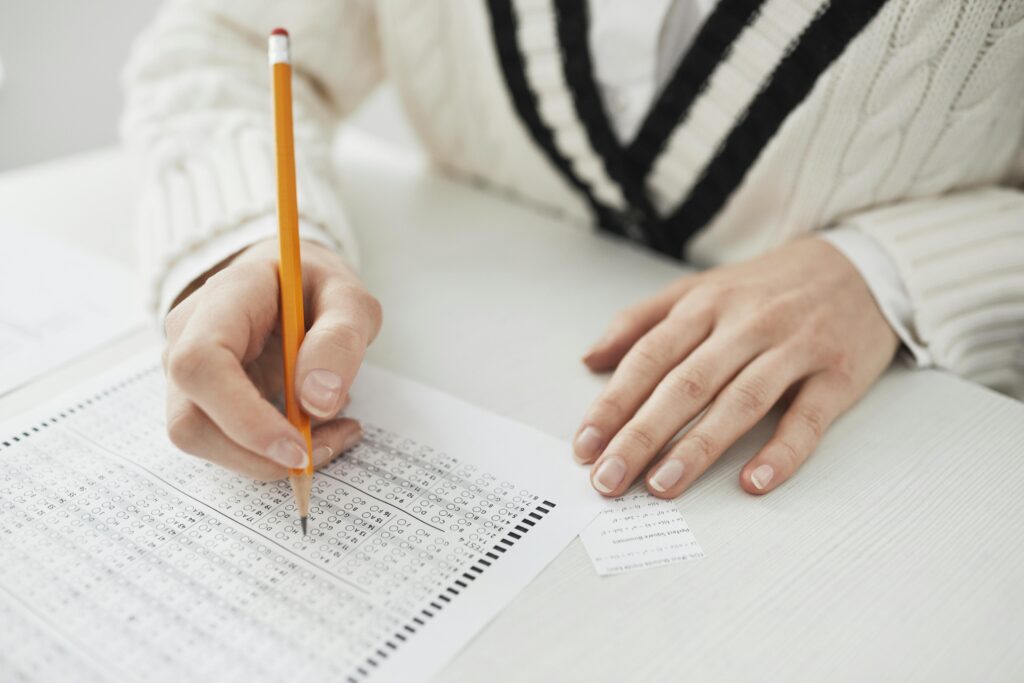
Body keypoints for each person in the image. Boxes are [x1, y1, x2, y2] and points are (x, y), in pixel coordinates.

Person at [122, 0, 1024, 500]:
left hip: (913, 470)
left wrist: (886, 269)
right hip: (488, 367)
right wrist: (248, 236)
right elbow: (228, 42)